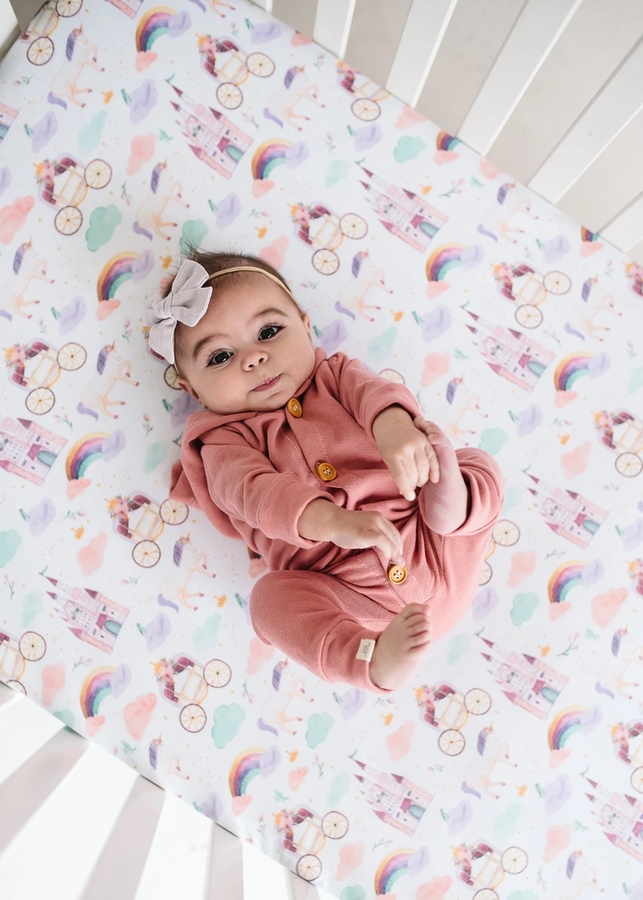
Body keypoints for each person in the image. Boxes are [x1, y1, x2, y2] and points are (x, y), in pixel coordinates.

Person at [143, 248, 505, 695]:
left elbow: (376, 396)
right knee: (269, 602)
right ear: (191, 389)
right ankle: (368, 658)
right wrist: (331, 522)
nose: (253, 359)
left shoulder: (337, 377)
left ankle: (451, 504)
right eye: (219, 357)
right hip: (347, 594)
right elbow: (253, 492)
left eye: (269, 332)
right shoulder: (221, 442)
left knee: (476, 463)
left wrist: (394, 428)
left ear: (305, 325)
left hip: (435, 542)